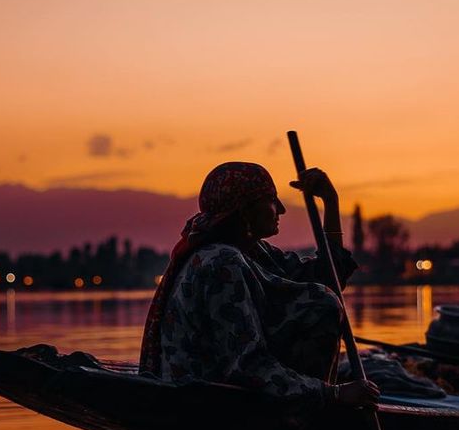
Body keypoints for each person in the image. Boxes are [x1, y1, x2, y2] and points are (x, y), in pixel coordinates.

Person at [139, 161, 379, 412]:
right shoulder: (221, 262)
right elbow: (246, 365)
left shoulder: (251, 250)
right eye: (271, 200)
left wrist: (330, 202)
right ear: (244, 210)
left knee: (324, 301)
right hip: (208, 400)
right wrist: (333, 394)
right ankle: (302, 421)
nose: (282, 210)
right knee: (324, 305)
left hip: (229, 388)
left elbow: (328, 278)